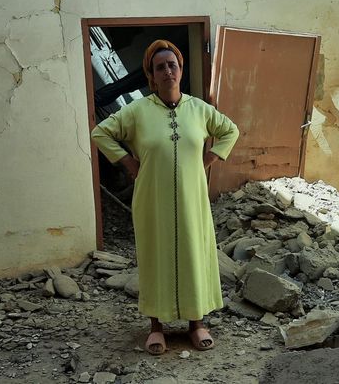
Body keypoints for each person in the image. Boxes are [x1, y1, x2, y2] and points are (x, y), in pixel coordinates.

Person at [91, 39, 239, 355]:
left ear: (181, 70)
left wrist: (210, 158)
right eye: (160, 67)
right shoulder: (137, 112)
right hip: (152, 201)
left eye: (172, 65)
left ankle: (196, 324)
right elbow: (100, 132)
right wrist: (127, 161)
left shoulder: (200, 110)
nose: (167, 70)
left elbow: (230, 131)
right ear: (151, 76)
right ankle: (156, 327)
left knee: (193, 255)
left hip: (192, 201)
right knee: (155, 257)